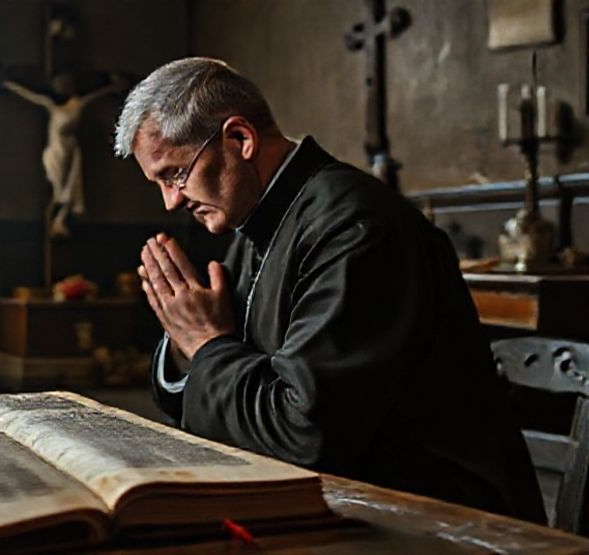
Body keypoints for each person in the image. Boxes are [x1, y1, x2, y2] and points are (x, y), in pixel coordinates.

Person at [113, 57, 544, 523]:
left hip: (443, 515)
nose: (171, 201)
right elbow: (205, 390)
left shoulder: (356, 228)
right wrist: (187, 337)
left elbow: (305, 434)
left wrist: (205, 344)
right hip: (339, 496)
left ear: (240, 140)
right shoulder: (253, 225)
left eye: (175, 174)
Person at [4, 73, 126, 237]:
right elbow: (30, 95)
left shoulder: (77, 103)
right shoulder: (51, 105)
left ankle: (60, 223)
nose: (63, 88)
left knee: (69, 191)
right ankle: (53, 223)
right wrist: (9, 84)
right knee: (57, 190)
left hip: (71, 150)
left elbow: (96, 96)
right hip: (56, 152)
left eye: (66, 85)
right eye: (59, 85)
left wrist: (113, 87)